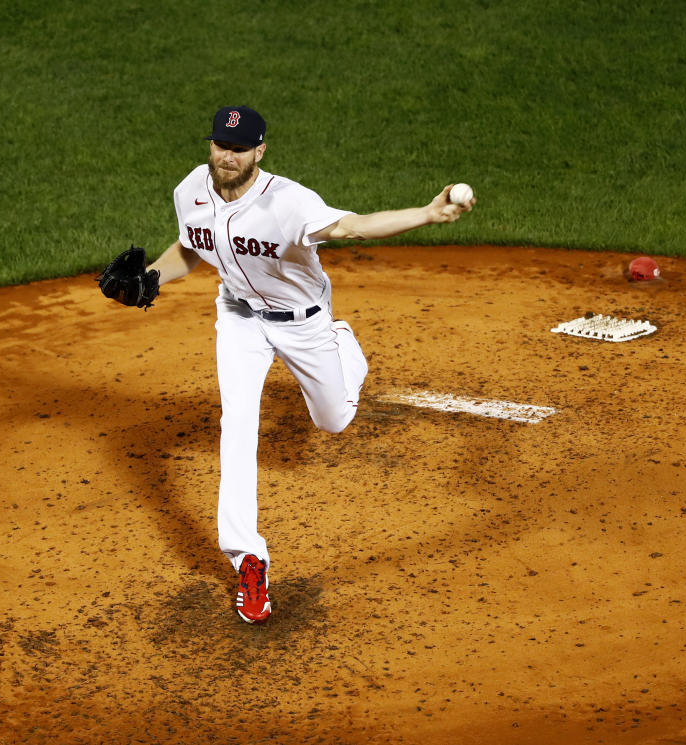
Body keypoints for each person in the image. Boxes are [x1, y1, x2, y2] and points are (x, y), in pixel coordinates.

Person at [108, 105, 474, 624]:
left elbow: (355, 226)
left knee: (334, 419)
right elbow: (192, 249)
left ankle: (342, 340)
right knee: (236, 421)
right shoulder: (190, 189)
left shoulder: (290, 203)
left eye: (238, 149)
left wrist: (427, 213)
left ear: (259, 150)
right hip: (237, 318)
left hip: (302, 322)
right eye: (219, 146)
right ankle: (248, 558)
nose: (226, 157)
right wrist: (150, 277)